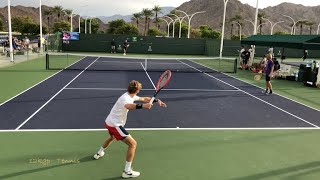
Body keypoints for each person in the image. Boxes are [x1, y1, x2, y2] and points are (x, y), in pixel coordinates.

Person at [93, 80, 167, 178]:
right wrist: (144, 106)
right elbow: (128, 106)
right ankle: (127, 171)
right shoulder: (125, 98)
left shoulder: (129, 95)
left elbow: (144, 98)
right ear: (137, 90)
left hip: (109, 121)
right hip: (115, 124)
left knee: (112, 138)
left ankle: (99, 153)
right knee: (133, 144)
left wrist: (157, 100)